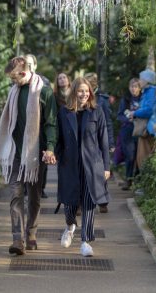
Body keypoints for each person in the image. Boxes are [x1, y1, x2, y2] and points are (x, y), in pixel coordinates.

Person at [0, 56, 57, 255]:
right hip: (15, 153)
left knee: (34, 196)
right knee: (16, 195)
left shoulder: (43, 92)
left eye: (15, 78)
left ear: (24, 71)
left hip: (35, 154)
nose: (13, 82)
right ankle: (17, 238)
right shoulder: (14, 92)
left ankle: (31, 233)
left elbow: (51, 122)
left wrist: (50, 147)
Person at [56, 77, 110, 257]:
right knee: (69, 203)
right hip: (69, 164)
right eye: (80, 91)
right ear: (74, 92)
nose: (84, 94)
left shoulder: (97, 111)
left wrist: (107, 167)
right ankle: (70, 225)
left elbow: (104, 140)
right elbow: (59, 138)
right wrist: (54, 155)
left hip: (91, 165)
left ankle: (86, 242)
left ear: (91, 93)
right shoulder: (64, 112)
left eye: (87, 91)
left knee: (88, 202)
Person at [84, 72, 114, 213]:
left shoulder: (102, 99)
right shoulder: (81, 96)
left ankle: (103, 200)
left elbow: (108, 122)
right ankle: (82, 200)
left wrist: (111, 142)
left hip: (100, 137)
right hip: (88, 139)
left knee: (101, 170)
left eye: (90, 82)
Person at [126, 69, 156, 171]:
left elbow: (149, 110)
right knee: (143, 156)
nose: (139, 81)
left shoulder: (150, 91)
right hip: (147, 128)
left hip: (149, 129)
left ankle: (147, 182)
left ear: (147, 80)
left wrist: (135, 113)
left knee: (145, 156)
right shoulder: (147, 91)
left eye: (141, 79)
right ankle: (144, 181)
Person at [25, 53, 51, 198]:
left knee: (42, 161)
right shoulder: (18, 82)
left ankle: (41, 187)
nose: (28, 67)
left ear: (35, 65)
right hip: (25, 128)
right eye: (25, 63)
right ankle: (26, 187)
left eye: (30, 64)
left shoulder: (44, 81)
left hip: (40, 126)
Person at [117, 78, 141, 190]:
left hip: (141, 130)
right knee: (130, 156)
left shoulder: (143, 98)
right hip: (128, 130)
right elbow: (120, 115)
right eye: (132, 86)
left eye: (136, 86)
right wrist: (128, 119)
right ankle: (128, 180)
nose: (133, 88)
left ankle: (138, 180)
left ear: (140, 88)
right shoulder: (126, 100)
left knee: (140, 156)